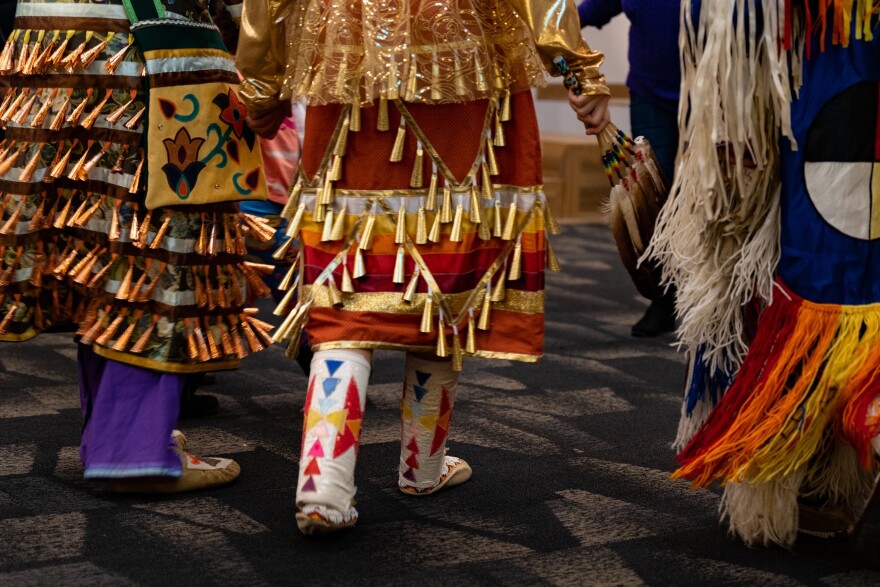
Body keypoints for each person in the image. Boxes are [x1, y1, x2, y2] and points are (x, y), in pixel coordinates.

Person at [237, 0, 611, 534]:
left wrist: (261, 87)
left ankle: (325, 484)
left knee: (350, 282)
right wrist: (580, 69)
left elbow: (265, 8)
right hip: (469, 76)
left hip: (350, 78)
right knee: (449, 273)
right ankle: (422, 466)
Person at [0, 0, 270, 492]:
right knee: (151, 245)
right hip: (150, 50)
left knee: (93, 242)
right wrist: (265, 75)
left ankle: (113, 433)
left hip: (47, 46)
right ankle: (131, 447)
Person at [648, 0, 880, 550]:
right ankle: (824, 469)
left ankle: (824, 462)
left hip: (800, 77)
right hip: (809, 79)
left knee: (805, 274)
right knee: (817, 268)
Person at [578, 0, 679, 337]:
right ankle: (664, 294)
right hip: (650, 94)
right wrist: (553, 29)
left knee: (703, 195)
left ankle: (714, 294)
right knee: (652, 196)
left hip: (710, 94)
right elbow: (592, 10)